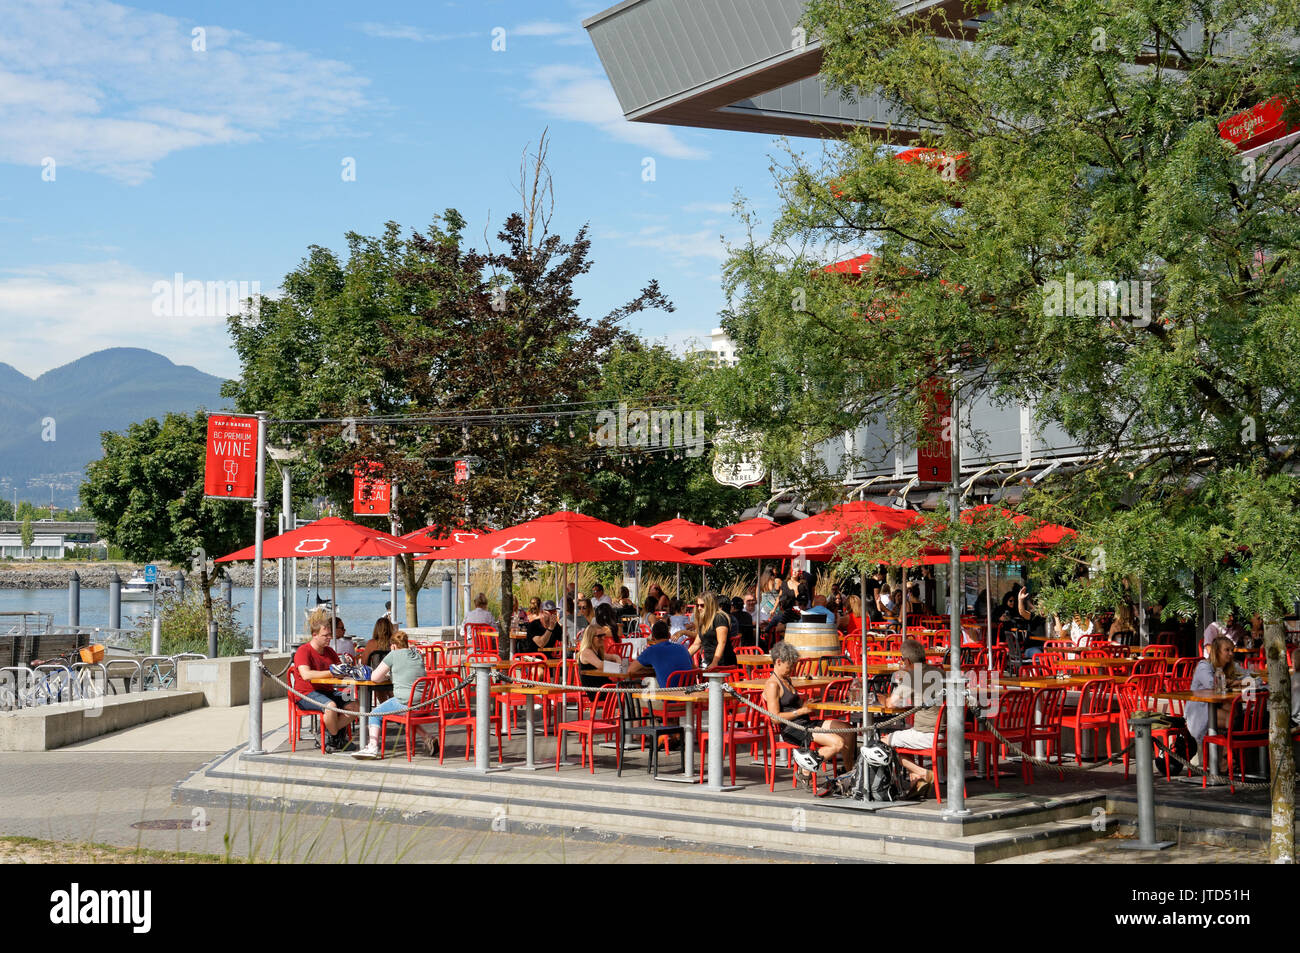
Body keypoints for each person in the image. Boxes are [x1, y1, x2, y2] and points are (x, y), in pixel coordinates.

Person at [763, 640, 855, 789]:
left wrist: (806, 704)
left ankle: (850, 774)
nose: (792, 669)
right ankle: (804, 769)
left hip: (806, 722)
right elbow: (775, 718)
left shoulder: (786, 679)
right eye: (790, 665)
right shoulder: (773, 684)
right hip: (794, 729)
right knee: (838, 743)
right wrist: (800, 711)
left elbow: (792, 704)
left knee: (849, 730)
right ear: (778, 662)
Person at [351, 629, 432, 759]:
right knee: (398, 716)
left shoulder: (393, 655)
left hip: (406, 703)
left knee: (375, 714)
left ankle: (372, 747)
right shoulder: (416, 654)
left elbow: (374, 678)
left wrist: (386, 676)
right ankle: (427, 737)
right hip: (423, 704)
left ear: (393, 646)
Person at [879, 638, 943, 795]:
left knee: (885, 741)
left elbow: (891, 704)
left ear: (906, 660)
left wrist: (881, 698)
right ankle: (916, 778)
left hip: (928, 734)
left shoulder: (913, 676)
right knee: (900, 738)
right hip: (948, 735)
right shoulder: (940, 672)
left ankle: (922, 773)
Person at [294, 608, 360, 753]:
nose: (329, 638)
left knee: (354, 705)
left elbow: (339, 673)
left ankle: (328, 735)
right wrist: (331, 673)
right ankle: (336, 738)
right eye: (325, 635)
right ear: (314, 635)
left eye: (330, 635)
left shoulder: (330, 651)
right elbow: (306, 675)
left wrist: (347, 670)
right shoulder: (303, 651)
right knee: (331, 706)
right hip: (306, 693)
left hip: (328, 691)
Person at [1187, 635, 1248, 747]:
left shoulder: (1231, 666)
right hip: (1200, 709)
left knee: (1237, 712)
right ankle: (1227, 757)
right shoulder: (1204, 666)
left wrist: (1238, 682)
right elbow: (1212, 685)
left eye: (1232, 650)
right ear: (1217, 652)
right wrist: (1235, 682)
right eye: (1227, 650)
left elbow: (1254, 678)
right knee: (1234, 720)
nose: (1231, 653)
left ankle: (1228, 757)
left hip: (1217, 706)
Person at [629, 620, 695, 686]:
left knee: (645, 684)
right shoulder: (682, 648)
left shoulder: (652, 650)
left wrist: (652, 670)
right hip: (690, 691)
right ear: (669, 635)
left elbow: (631, 670)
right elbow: (693, 668)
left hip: (669, 693)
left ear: (653, 638)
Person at [689, 592, 736, 670]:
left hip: (723, 662)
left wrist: (715, 662)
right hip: (709, 661)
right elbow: (696, 644)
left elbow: (722, 642)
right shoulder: (704, 620)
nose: (699, 608)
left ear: (710, 605)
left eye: (702, 605)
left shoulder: (719, 617)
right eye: (697, 605)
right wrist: (684, 656)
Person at [576, 623, 608, 699]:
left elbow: (613, 657)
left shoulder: (597, 651)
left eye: (603, 635)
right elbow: (600, 665)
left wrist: (617, 658)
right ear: (590, 638)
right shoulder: (587, 652)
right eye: (599, 636)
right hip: (596, 691)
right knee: (625, 691)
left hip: (603, 687)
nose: (603, 638)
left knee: (628, 687)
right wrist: (619, 668)